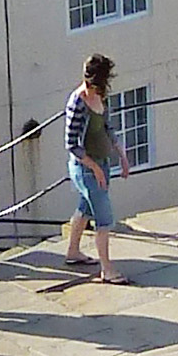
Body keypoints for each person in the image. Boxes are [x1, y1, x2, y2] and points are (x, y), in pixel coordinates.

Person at [61, 50, 122, 284]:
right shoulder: (77, 102)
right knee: (104, 217)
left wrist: (121, 154)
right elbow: (71, 144)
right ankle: (107, 269)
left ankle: (73, 252)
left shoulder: (101, 96)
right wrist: (94, 168)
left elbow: (107, 126)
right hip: (86, 169)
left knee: (85, 208)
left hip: (102, 163)